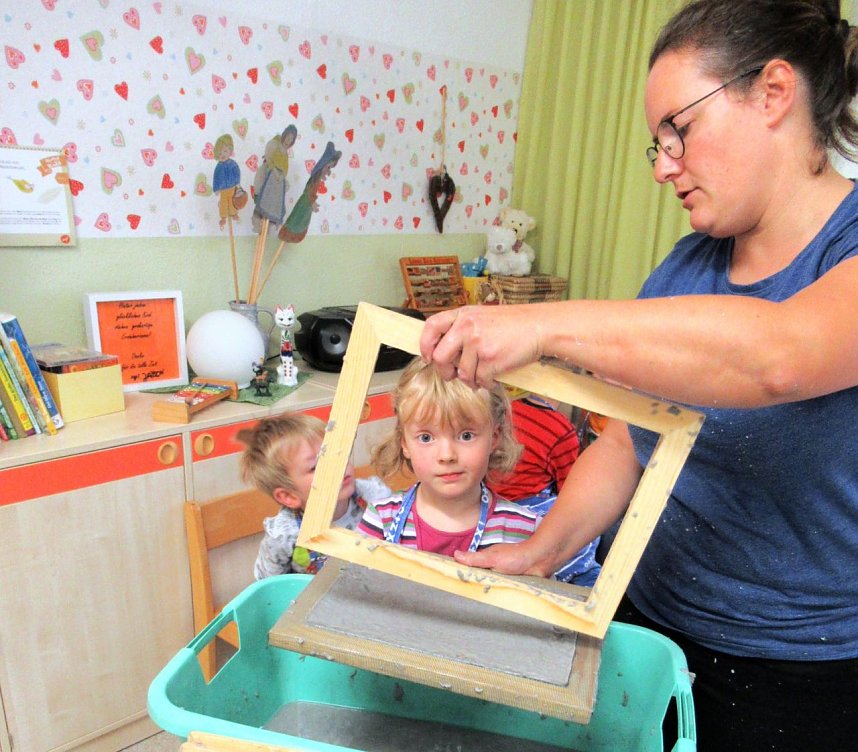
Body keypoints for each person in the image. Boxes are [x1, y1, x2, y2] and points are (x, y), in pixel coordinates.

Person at [417, 1, 858, 749]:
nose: (663, 167)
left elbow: (779, 356)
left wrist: (543, 326)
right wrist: (544, 550)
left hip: (802, 674)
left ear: (774, 93)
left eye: (678, 130)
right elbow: (628, 442)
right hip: (649, 625)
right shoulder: (685, 268)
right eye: (657, 143)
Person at [357, 356, 539, 556]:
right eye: (426, 438)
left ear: (494, 438)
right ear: (405, 444)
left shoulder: (525, 533)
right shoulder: (380, 520)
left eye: (466, 435)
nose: (447, 455)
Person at [237, 412, 390, 579]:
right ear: (289, 496)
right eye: (315, 466)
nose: (338, 465)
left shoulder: (375, 496)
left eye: (337, 454)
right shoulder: (284, 535)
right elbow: (269, 586)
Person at [488, 394, 600, 586]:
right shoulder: (561, 429)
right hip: (529, 506)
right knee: (586, 526)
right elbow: (569, 487)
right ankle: (585, 577)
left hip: (490, 499)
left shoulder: (507, 409)